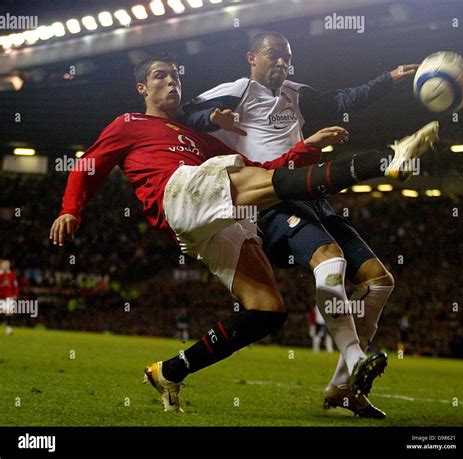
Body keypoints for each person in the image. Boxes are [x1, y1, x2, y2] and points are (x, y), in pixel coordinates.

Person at [50, 53, 438, 413]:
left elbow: (267, 171)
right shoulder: (129, 124)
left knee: (267, 311)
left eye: (174, 76)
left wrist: (305, 146)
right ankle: (385, 160)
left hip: (211, 221)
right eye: (160, 76)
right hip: (179, 192)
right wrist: (70, 210)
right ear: (142, 89)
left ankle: (169, 371)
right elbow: (88, 165)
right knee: (257, 183)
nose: (171, 82)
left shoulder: (202, 140)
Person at [182, 31, 421, 418]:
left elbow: (341, 100)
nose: (281, 63)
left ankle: (343, 387)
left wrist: (388, 79)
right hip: (270, 199)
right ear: (251, 58)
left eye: (287, 58)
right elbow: (184, 113)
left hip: (311, 195)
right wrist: (210, 118)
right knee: (330, 262)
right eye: (273, 55)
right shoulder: (236, 91)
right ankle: (357, 356)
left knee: (379, 281)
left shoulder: (296, 93)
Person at [0, 259, 19, 335]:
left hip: (8, 296)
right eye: (4, 264)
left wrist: (15, 295)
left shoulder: (12, 275)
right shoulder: (0, 274)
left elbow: (16, 286)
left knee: (8, 313)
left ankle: (9, 328)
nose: (5, 266)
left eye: (7, 264)